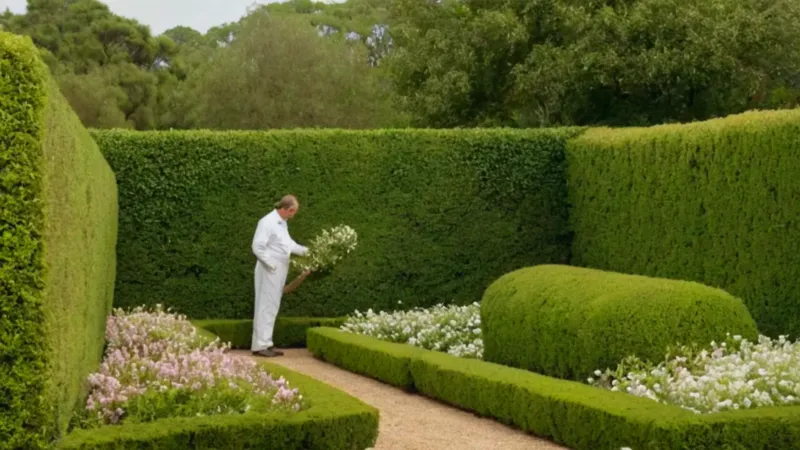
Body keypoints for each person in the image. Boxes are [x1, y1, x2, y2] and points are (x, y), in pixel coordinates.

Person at [250, 195, 310, 357]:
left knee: (272, 306)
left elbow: (289, 245)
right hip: (269, 269)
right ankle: (260, 345)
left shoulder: (282, 224)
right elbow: (257, 247)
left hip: (277, 270)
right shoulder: (267, 222)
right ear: (287, 209)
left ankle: (266, 343)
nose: (293, 215)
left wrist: (310, 252)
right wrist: (272, 265)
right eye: (293, 212)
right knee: (265, 305)